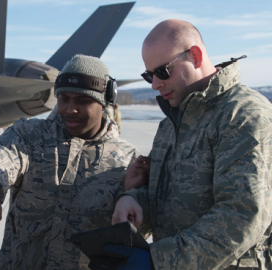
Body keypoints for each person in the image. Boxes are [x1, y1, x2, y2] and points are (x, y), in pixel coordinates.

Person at [113, 19, 272, 269]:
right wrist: (132, 198)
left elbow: (241, 215)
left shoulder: (244, 115)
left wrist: (158, 260)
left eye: (163, 71)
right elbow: (168, 197)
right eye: (148, 75)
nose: (155, 84)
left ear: (195, 56)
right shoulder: (172, 123)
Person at [0, 54, 141, 269]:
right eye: (64, 98)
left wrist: (132, 194)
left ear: (105, 102)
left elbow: (140, 230)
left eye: (83, 101)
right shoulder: (29, 135)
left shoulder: (128, 160)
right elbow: (0, 158)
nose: (70, 109)